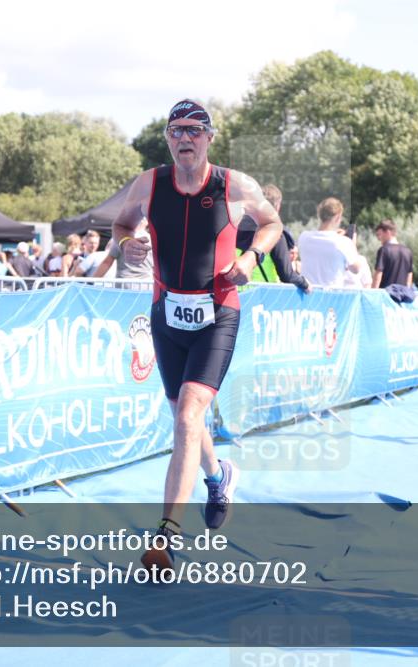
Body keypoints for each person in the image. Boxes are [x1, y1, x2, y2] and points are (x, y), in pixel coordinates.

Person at [111, 99, 283, 573]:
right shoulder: (150, 183)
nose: (184, 138)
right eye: (175, 131)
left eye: (194, 130)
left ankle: (165, 537)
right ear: (167, 139)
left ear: (209, 138)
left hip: (217, 314)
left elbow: (272, 224)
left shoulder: (236, 185)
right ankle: (218, 474)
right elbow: (121, 223)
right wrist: (128, 243)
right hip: (166, 313)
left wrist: (250, 260)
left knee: (188, 416)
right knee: (184, 417)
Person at [235, 183, 311, 292]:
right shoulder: (275, 234)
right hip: (262, 296)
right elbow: (286, 275)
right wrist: (304, 283)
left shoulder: (233, 227)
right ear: (277, 207)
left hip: (234, 293)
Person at [298, 198, 361, 288]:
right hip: (331, 297)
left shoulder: (304, 237)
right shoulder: (344, 243)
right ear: (338, 217)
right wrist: (352, 244)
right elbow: (356, 269)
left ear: (319, 215)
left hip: (307, 295)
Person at [92, 220, 152, 288]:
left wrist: (91, 283)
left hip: (123, 287)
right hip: (146, 286)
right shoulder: (153, 240)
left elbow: (107, 263)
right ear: (146, 222)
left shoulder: (120, 239)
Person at [373, 219, 413, 289]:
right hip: (402, 296)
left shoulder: (384, 250)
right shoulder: (407, 251)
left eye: (379, 235)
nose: (379, 238)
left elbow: (378, 274)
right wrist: (407, 291)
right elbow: (409, 275)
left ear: (388, 232)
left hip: (386, 295)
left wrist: (373, 293)